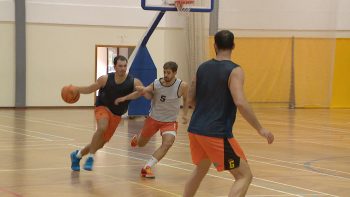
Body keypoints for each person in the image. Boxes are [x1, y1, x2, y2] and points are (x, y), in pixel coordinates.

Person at [183, 30, 275, 197]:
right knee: (244, 175)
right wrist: (260, 129)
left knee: (200, 170)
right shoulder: (235, 70)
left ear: (214, 46)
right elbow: (240, 102)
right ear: (233, 46)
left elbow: (190, 99)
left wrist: (205, 111)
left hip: (195, 130)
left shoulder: (202, 68)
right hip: (216, 132)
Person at [70, 55, 144, 171]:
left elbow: (142, 93)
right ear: (114, 67)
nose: (123, 68)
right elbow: (89, 89)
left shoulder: (133, 81)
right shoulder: (105, 79)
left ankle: (77, 155)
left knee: (99, 144)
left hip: (116, 114)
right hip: (103, 107)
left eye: (125, 66)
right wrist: (74, 88)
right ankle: (91, 158)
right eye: (120, 66)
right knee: (102, 127)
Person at [115, 61, 189, 178]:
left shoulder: (182, 86)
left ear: (175, 73)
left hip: (170, 121)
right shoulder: (157, 83)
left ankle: (147, 167)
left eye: (168, 73)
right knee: (141, 144)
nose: (165, 75)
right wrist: (129, 95)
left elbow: (186, 99)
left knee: (168, 143)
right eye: (164, 72)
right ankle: (138, 137)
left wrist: (185, 114)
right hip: (154, 119)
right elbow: (145, 90)